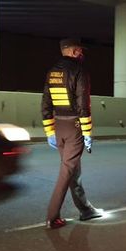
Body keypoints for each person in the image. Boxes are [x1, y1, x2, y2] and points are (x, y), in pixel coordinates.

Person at [41, 37, 103, 229]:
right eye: (79, 50)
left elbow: (46, 102)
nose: (81, 53)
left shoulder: (52, 72)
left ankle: (85, 210)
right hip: (74, 127)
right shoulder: (79, 71)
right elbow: (83, 103)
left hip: (59, 126)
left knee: (73, 170)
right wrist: (87, 132)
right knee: (67, 171)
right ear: (73, 51)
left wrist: (50, 130)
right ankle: (53, 216)